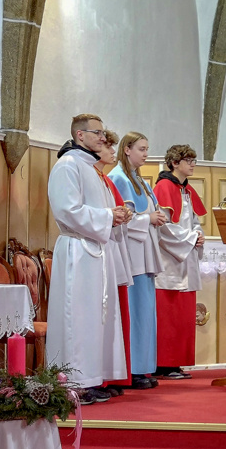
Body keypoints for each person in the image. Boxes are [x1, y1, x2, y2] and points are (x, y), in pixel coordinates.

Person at [47, 114, 129, 404]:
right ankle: (73, 382)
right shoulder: (67, 165)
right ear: (80, 135)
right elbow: (66, 210)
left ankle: (93, 377)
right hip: (77, 251)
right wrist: (108, 216)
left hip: (96, 250)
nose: (103, 138)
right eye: (97, 133)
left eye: (103, 133)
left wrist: (117, 216)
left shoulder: (92, 169)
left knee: (97, 317)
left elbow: (100, 210)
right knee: (77, 317)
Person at [110, 131, 167, 390]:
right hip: (132, 253)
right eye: (141, 149)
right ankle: (130, 369)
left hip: (144, 251)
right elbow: (123, 218)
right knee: (134, 310)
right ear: (127, 149)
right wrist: (149, 219)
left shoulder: (139, 179)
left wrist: (157, 216)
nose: (146, 154)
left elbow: (147, 210)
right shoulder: (119, 178)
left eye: (146, 149)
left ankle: (142, 366)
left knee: (144, 311)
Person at [153, 144, 206, 379]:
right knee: (168, 315)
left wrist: (198, 234)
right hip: (169, 261)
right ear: (175, 163)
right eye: (188, 160)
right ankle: (163, 364)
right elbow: (163, 227)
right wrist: (191, 238)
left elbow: (194, 221)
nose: (193, 164)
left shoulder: (187, 190)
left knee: (182, 316)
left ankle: (176, 362)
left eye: (194, 160)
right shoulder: (163, 187)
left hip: (186, 257)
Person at [96, 130, 134, 396]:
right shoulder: (100, 177)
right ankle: (101, 378)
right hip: (97, 251)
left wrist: (125, 215)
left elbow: (117, 212)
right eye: (107, 146)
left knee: (113, 316)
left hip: (111, 249)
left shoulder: (105, 180)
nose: (111, 151)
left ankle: (110, 376)